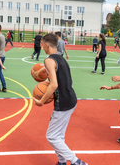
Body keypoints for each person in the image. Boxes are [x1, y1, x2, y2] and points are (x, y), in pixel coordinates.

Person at [32, 33, 87, 165]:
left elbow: (54, 84)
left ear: (46, 45)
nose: (41, 47)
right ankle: (62, 161)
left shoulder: (49, 60)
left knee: (51, 136)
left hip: (63, 102)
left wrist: (41, 101)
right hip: (71, 98)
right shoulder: (62, 59)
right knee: (58, 135)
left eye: (41, 45)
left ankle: (77, 162)